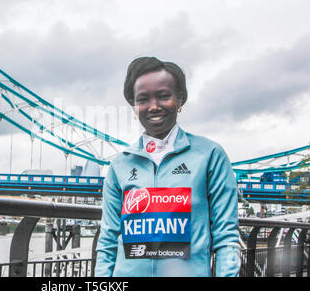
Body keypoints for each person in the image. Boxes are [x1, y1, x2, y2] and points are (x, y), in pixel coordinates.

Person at [95, 57, 240, 277]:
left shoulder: (210, 155)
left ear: (179, 99)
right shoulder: (119, 165)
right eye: (143, 99)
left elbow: (226, 238)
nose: (153, 106)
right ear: (134, 106)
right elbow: (107, 242)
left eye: (163, 96)